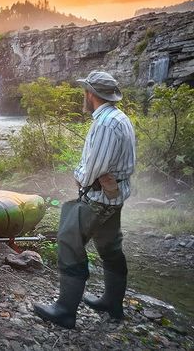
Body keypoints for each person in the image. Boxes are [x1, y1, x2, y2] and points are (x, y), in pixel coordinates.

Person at [34, 70, 136, 329]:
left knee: (69, 241)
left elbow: (93, 170)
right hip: (114, 197)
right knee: (110, 247)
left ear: (91, 95)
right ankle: (112, 304)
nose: (84, 95)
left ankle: (65, 311)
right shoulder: (120, 117)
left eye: (85, 92)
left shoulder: (104, 123)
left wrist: (77, 173)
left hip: (99, 197)